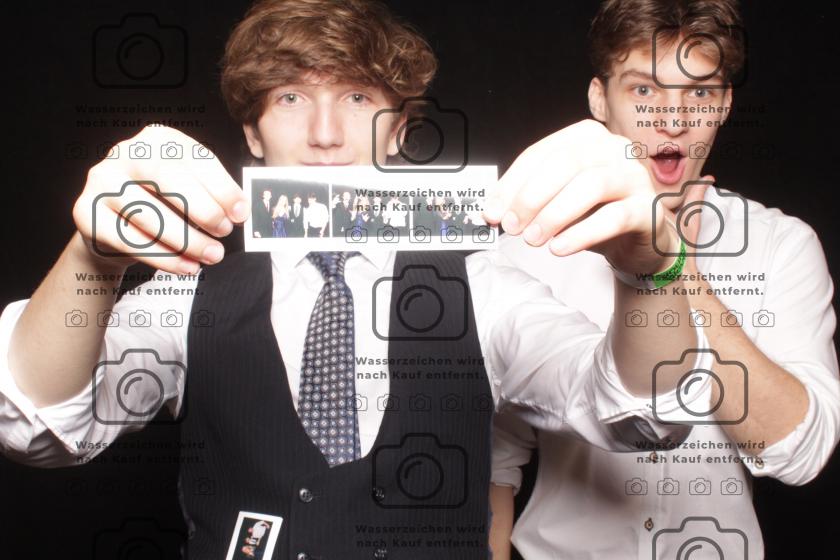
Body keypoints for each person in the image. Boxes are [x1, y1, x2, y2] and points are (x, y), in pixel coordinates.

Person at [1, 0, 705, 557]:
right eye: (289, 98)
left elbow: (645, 413)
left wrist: (652, 270)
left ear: (399, 131)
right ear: (252, 133)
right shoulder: (191, 293)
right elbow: (36, 424)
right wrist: (93, 260)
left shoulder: (484, 288)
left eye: (359, 98)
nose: (326, 134)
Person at [488, 1, 840, 559]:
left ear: (723, 105)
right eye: (644, 90)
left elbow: (799, 453)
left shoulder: (781, 245)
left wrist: (677, 268)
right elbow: (496, 460)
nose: (672, 121)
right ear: (600, 99)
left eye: (698, 93)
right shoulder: (530, 246)